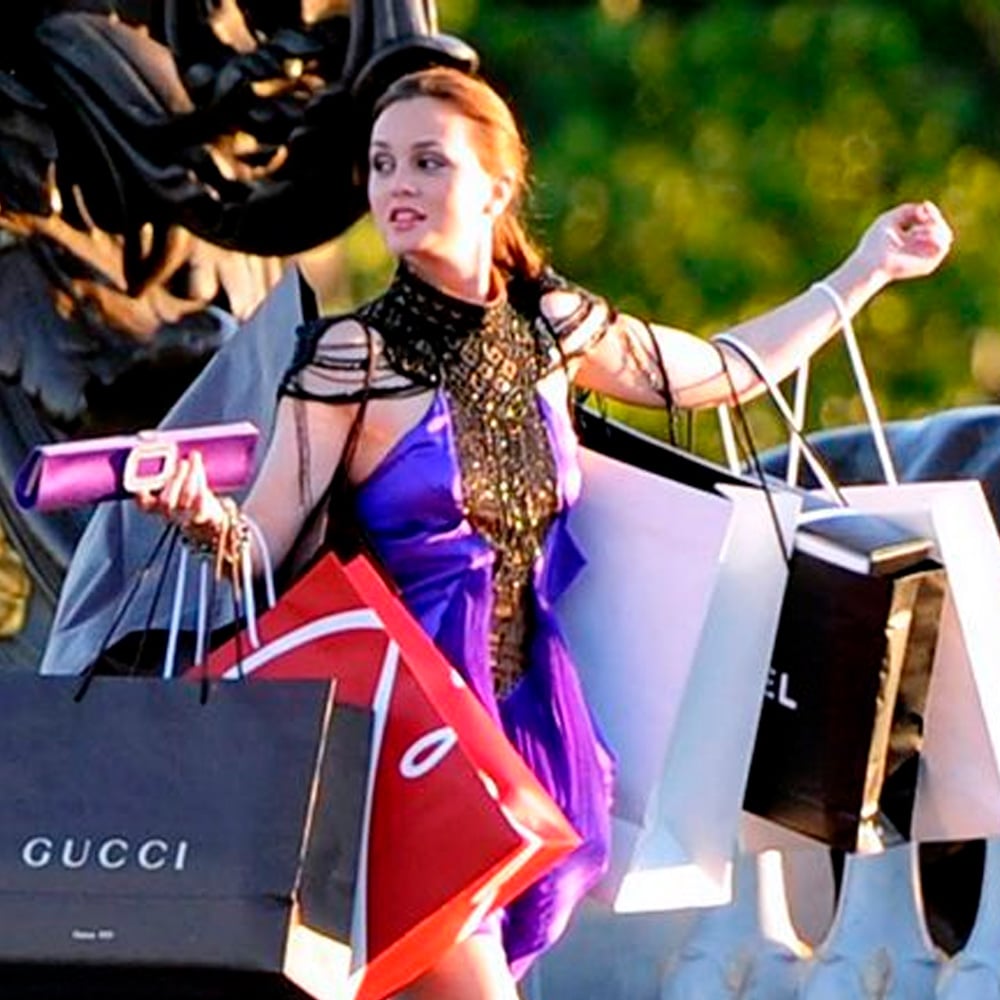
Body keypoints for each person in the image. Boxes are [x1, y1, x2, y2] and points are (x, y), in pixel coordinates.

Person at [135, 65, 953, 999]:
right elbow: (260, 551)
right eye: (380, 165)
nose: (396, 187)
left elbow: (721, 370)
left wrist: (867, 268)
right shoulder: (351, 358)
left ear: (497, 186)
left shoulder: (552, 328)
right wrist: (202, 516)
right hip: (406, 738)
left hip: (528, 726)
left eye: (427, 163)